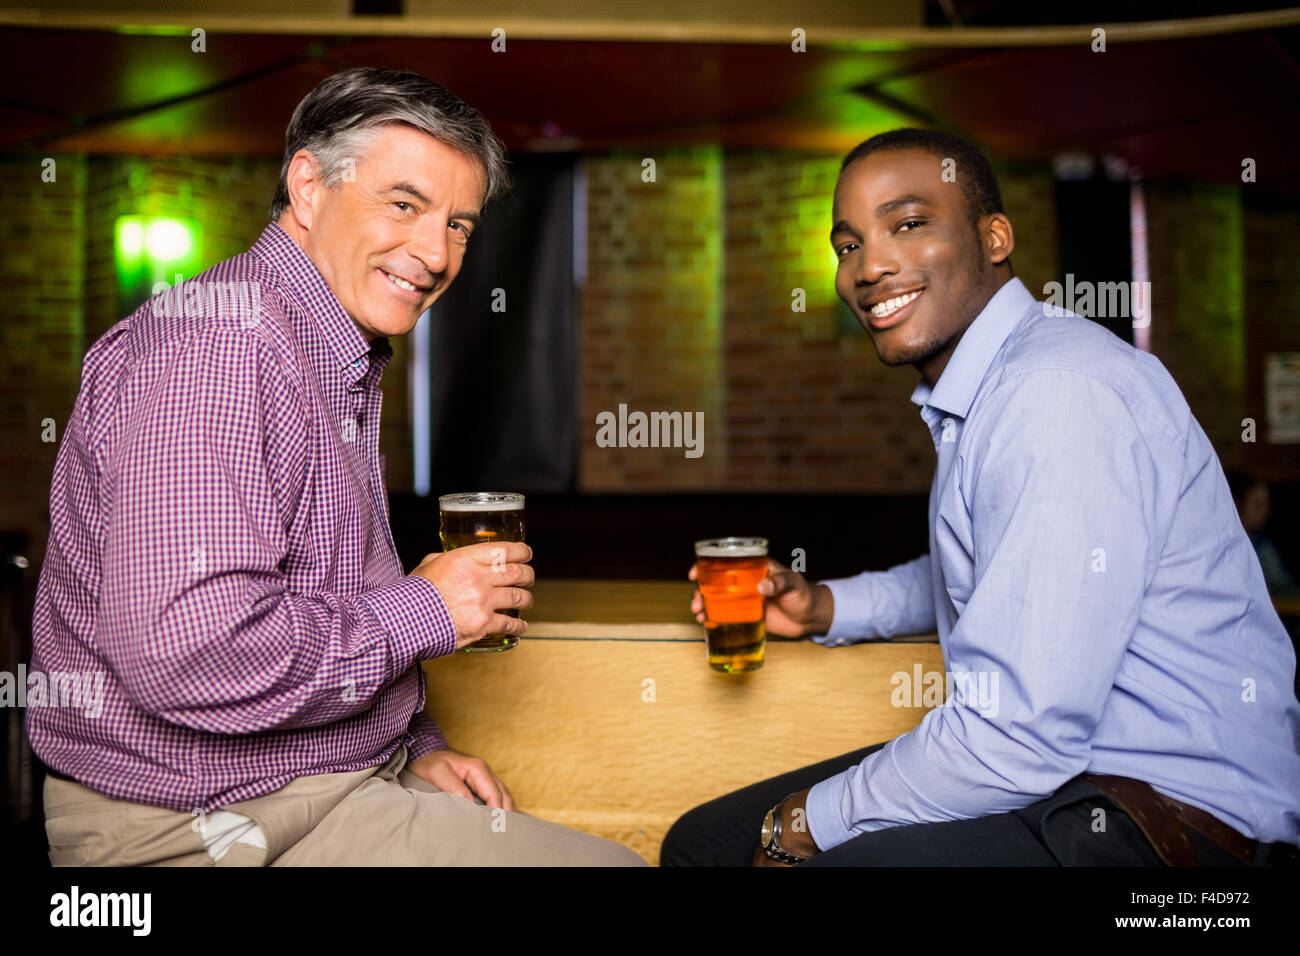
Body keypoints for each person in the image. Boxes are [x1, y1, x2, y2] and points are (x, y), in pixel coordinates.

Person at [26, 67, 644, 867]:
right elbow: (190, 655)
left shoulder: (323, 349)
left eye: (458, 224)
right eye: (405, 204)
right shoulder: (220, 351)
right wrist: (427, 607)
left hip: (322, 783)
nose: (435, 253)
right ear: (309, 187)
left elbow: (327, 587)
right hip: (201, 820)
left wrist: (415, 744)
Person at [662, 128, 1300, 867]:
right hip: (1064, 779)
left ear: (994, 237)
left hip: (1170, 825)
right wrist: (827, 606)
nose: (868, 266)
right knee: (703, 845)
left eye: (907, 224)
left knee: (768, 845)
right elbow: (992, 571)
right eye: (848, 245)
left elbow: (1017, 736)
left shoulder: (1057, 392)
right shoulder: (994, 386)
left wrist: (807, 820)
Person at [1227, 471, 1296, 594]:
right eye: (1258, 504)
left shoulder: (1262, 543)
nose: (1266, 510)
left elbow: (1283, 583)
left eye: (1266, 503)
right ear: (1236, 504)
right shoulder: (1227, 546)